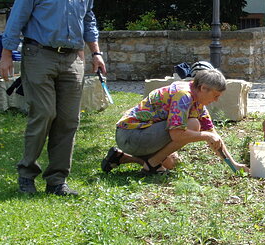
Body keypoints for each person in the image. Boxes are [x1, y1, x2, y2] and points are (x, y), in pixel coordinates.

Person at [0, 0, 104, 196]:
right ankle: (27, 174)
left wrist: (96, 52)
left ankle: (57, 181)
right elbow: (17, 18)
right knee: (44, 113)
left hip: (72, 59)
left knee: (69, 119)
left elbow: (89, 19)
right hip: (39, 55)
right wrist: (6, 55)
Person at [101, 69, 247, 175]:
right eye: (215, 95)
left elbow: (213, 134)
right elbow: (178, 135)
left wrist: (234, 165)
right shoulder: (183, 95)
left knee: (172, 162)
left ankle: (120, 158)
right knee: (193, 125)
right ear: (203, 88)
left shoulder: (198, 101)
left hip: (141, 136)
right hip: (130, 136)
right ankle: (151, 165)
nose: (216, 100)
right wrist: (206, 136)